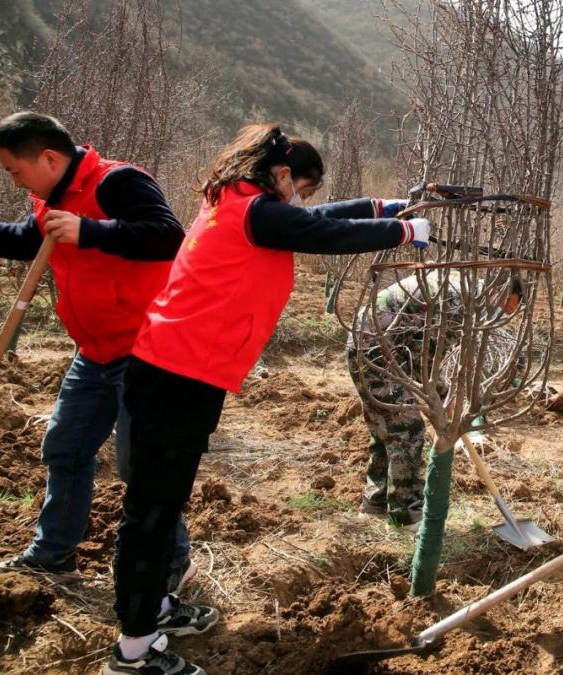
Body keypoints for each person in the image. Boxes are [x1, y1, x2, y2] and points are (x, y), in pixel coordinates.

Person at [103, 124, 427, 675]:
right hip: (176, 376)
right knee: (152, 510)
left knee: (161, 502)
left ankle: (153, 608)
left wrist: (382, 206)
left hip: (183, 373)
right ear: (277, 174)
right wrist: (402, 232)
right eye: (294, 184)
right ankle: (134, 650)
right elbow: (316, 232)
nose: (298, 195)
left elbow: (312, 220)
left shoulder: (238, 205)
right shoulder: (249, 211)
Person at [0, 111, 195, 592]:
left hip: (145, 349)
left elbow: (169, 236)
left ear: (48, 157)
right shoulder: (51, 197)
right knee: (65, 447)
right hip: (95, 350)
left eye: (14, 170)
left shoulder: (118, 181)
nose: (15, 179)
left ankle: (172, 563)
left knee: (139, 466)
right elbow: (30, 241)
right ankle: (53, 552)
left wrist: (91, 231)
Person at [346, 271, 522, 526]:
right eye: (509, 306)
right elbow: (425, 358)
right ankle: (405, 514)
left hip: (372, 343)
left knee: (386, 429)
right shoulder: (460, 303)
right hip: (378, 349)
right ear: (503, 292)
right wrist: (441, 396)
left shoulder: (462, 288)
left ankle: (374, 504)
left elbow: (423, 352)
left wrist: (442, 394)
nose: (505, 314)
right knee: (407, 429)